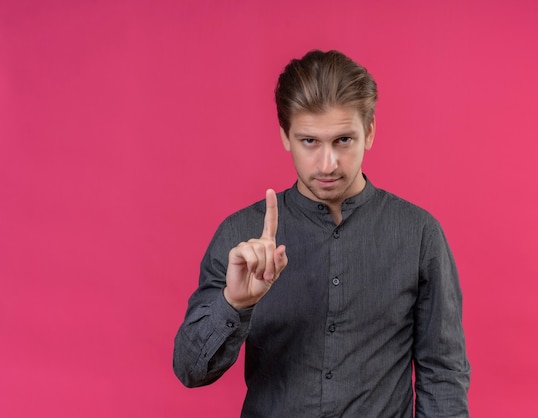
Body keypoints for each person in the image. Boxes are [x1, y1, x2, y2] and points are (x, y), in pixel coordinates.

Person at [173, 49, 470, 417]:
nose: (327, 164)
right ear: (285, 136)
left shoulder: (420, 234)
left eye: (343, 140)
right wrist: (234, 304)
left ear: (370, 132)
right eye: (309, 141)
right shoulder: (241, 235)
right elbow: (190, 370)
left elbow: (443, 373)